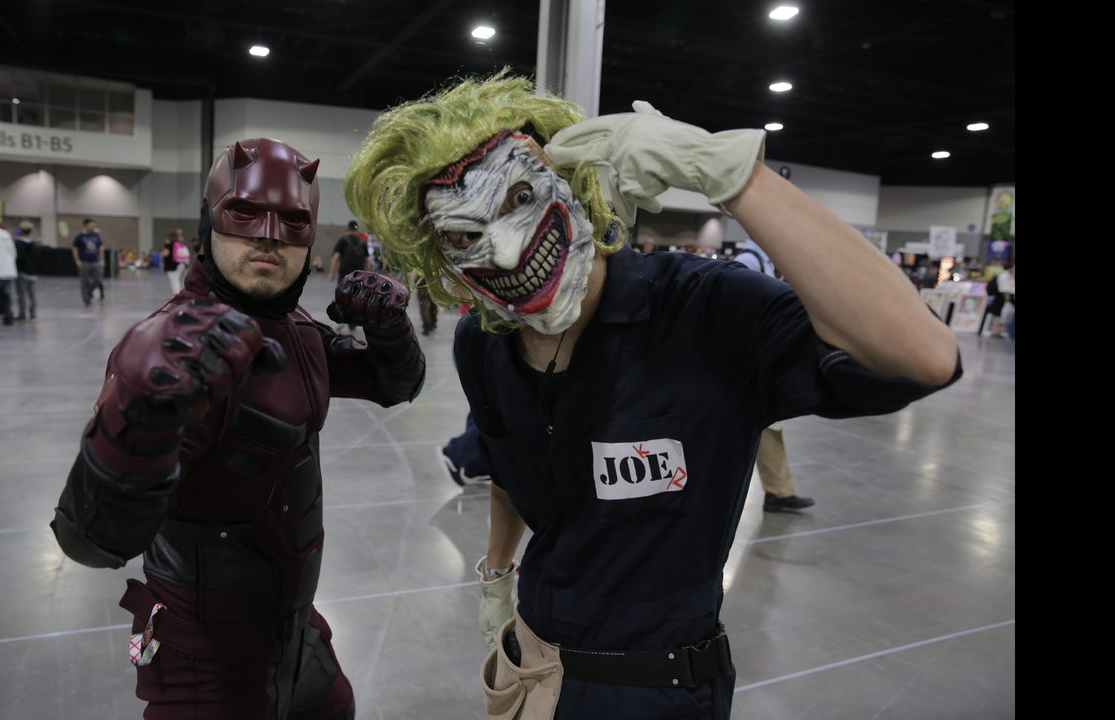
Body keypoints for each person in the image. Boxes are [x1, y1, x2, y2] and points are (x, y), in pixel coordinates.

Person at [344, 72, 960, 720]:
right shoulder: (484, 339)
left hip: (658, 688)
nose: (504, 247)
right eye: (466, 236)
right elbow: (506, 463)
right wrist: (498, 574)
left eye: (520, 197)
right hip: (530, 669)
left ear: (571, 180)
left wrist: (729, 174)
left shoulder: (709, 311)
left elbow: (924, 357)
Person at [49, 137, 426, 720]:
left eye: (293, 221)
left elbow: (395, 384)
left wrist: (391, 328)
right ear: (210, 223)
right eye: (244, 214)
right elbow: (91, 543)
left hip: (300, 637)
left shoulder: (297, 328)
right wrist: (138, 415)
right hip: (205, 660)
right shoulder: (172, 352)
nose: (269, 235)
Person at [731, 239, 815, 512]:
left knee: (769, 426)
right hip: (745, 360)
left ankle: (779, 491)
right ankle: (778, 491)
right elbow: (736, 309)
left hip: (755, 358)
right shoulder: (750, 261)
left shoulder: (762, 261)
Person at [72, 218, 105, 308]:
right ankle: (86, 300)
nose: (93, 228)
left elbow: (101, 247)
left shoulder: (95, 236)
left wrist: (102, 259)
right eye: (91, 226)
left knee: (98, 280)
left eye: (94, 226)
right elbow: (75, 248)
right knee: (84, 282)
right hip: (84, 262)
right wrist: (77, 260)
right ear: (85, 226)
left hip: (95, 262)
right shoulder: (79, 237)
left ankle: (89, 292)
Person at [14, 221, 40, 322]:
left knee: (22, 294)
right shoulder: (34, 245)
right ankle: (33, 314)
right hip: (33, 273)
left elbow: (18, 258)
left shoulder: (18, 244)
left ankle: (22, 314)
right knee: (32, 294)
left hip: (22, 272)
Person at [988, 262, 1014, 338]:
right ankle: (995, 330)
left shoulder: (1008, 275)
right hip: (1002, 297)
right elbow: (1003, 288)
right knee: (998, 314)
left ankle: (996, 330)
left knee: (998, 314)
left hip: (1004, 296)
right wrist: (1007, 296)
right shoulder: (1004, 276)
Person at [162, 229, 190, 295]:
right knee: (177, 279)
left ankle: (177, 295)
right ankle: (179, 294)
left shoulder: (169, 244)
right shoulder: (180, 244)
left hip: (172, 265)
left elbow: (165, 253)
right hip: (181, 264)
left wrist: (162, 251)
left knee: (174, 280)